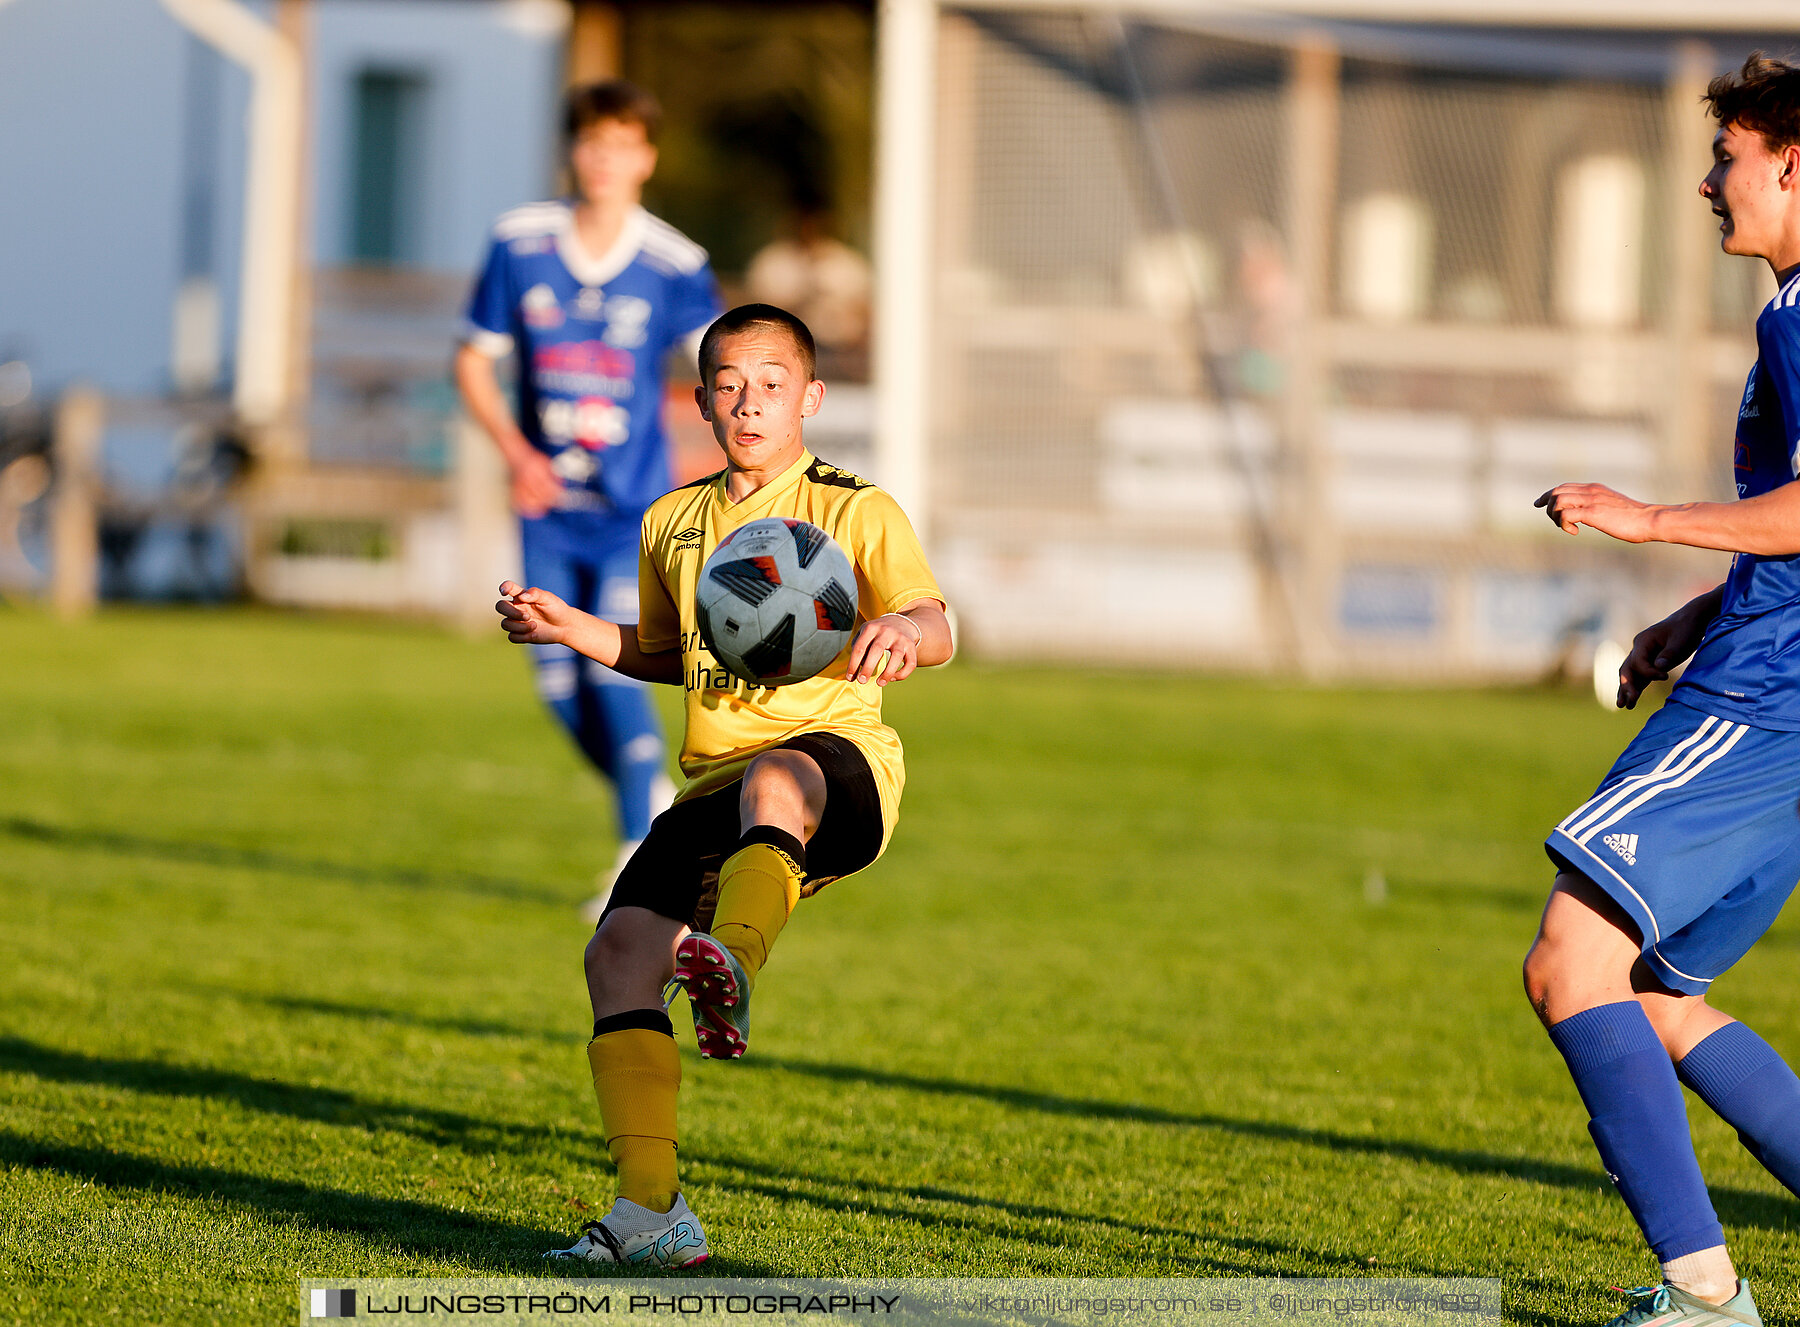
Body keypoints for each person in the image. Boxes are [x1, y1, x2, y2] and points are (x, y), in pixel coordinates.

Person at [496, 304, 952, 1267]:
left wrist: (907, 633)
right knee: (616, 956)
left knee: (779, 776)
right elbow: (668, 652)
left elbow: (932, 618)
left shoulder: (854, 509)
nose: (751, 403)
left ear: (811, 398)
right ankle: (651, 1213)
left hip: (838, 765)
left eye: (773, 384)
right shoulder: (672, 521)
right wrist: (570, 624)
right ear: (701, 400)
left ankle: (733, 958)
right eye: (730, 384)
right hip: (715, 787)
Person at [1526, 53, 1800, 1327]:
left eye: (1729, 156)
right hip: (1767, 684)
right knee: (1655, 995)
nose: (1709, 181)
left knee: (1573, 962)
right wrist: (1693, 617)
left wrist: (1648, 522)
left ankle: (1703, 1299)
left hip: (1768, 705)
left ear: (1793, 162)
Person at [456, 81, 723, 921]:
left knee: (613, 671)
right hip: (544, 507)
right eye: (592, 141)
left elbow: (725, 368)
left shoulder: (675, 264)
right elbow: (472, 359)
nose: (605, 158)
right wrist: (514, 450)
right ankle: (662, 821)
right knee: (557, 689)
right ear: (573, 149)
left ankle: (638, 854)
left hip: (634, 509)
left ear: (647, 157)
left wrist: (722, 469)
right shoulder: (520, 242)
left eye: (624, 143)